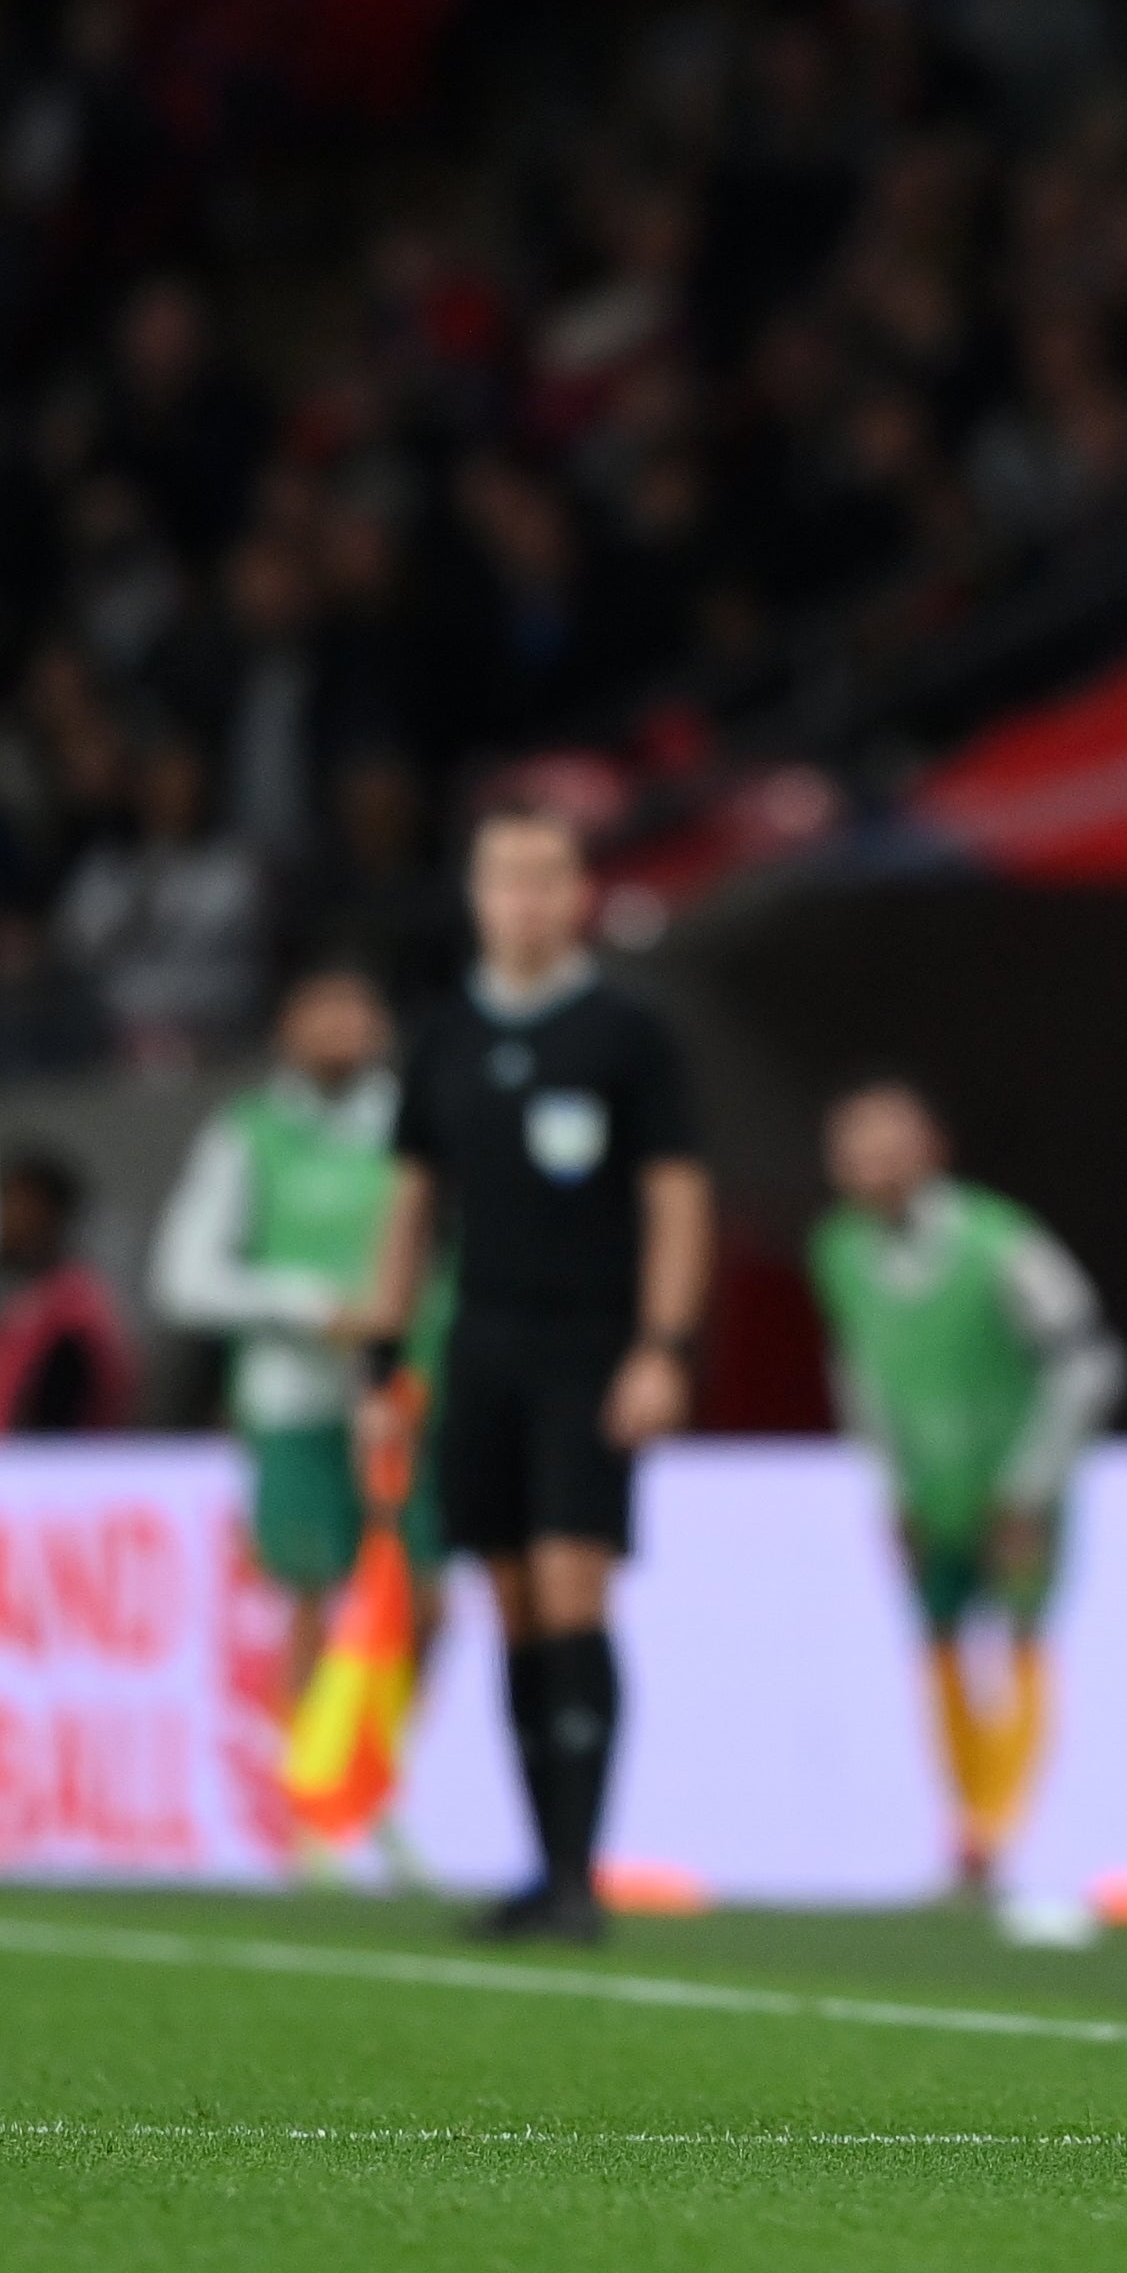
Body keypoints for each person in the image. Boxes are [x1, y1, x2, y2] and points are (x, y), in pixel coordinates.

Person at [355, 808, 710, 1945]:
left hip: (590, 1347)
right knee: (506, 1597)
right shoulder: (445, 1033)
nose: (525, 897)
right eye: (504, 875)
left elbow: (676, 1194)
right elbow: (411, 1202)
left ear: (579, 894)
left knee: (571, 1586)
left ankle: (578, 1875)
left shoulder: (625, 1031)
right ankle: (543, 1864)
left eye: (546, 876)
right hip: (482, 1346)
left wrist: (663, 1344)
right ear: (475, 891)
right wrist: (381, 1353)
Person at [809, 1078, 1126, 1907]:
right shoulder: (838, 1252)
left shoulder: (1001, 1243)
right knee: (941, 1645)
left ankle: (1001, 1829)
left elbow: (1088, 1362)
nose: (871, 1164)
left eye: (888, 1143)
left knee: (1020, 1640)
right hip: (930, 1495)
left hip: (1015, 1488)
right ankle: (966, 1830)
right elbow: (861, 1376)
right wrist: (890, 1488)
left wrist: (1029, 1487)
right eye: (855, 1147)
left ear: (932, 1149)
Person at [152, 965, 447, 1728]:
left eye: (356, 1010)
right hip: (296, 1401)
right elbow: (182, 1277)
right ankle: (310, 1809)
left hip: (407, 1397)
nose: (340, 1029)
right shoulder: (248, 1132)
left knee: (425, 1594)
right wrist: (307, 1308)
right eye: (321, 1012)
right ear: (286, 1026)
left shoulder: (421, 1122)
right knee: (311, 1596)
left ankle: (380, 1774)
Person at [0, 1147, 138, 1430]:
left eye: (12, 1203)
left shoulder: (73, 1319)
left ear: (43, 1212)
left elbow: (50, 1429)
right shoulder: (31, 1302)